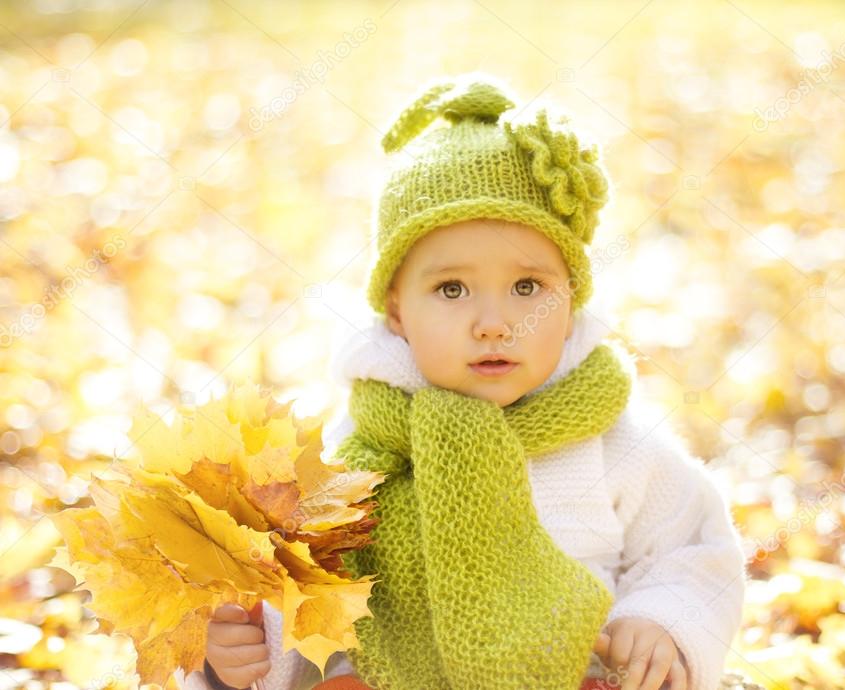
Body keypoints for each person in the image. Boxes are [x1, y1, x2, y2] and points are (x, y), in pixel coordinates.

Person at [178, 72, 746, 690]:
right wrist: (234, 650)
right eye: (452, 289)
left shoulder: (611, 441)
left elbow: (692, 549)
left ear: (572, 299)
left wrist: (660, 622)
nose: (495, 324)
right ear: (396, 310)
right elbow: (301, 597)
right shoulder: (351, 453)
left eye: (527, 287)